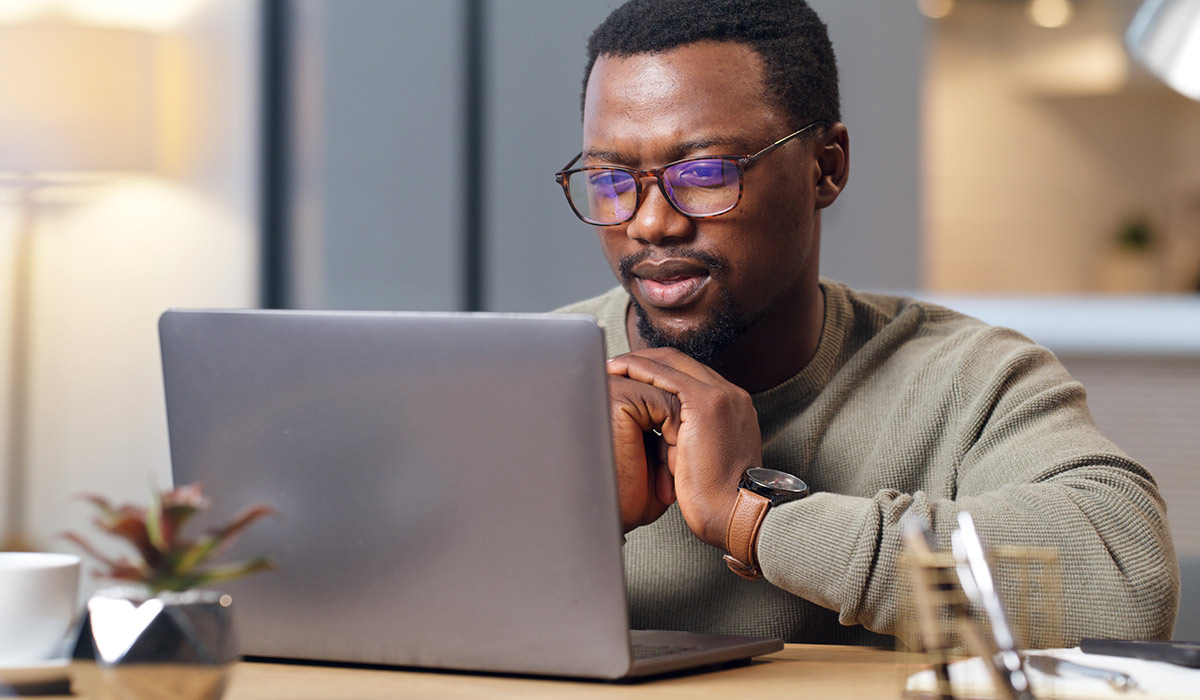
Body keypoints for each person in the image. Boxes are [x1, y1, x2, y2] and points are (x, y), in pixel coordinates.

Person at [553, 0, 1179, 647]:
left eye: (705, 172)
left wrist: (751, 518)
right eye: (609, 179)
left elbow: (1128, 585)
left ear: (826, 167)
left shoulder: (967, 380)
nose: (650, 223)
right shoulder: (525, 379)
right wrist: (563, 517)